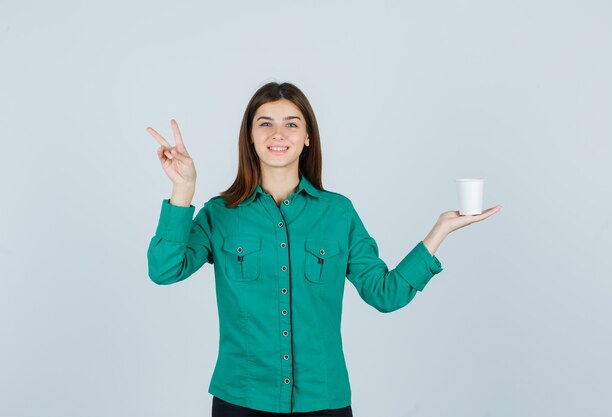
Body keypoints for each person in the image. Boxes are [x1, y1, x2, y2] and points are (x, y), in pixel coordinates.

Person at [146, 82, 502, 416]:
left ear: (307, 138)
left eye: (292, 123)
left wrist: (439, 231)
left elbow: (384, 294)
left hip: (323, 402)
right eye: (265, 123)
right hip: (241, 399)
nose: (278, 133)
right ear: (250, 138)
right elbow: (164, 270)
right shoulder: (220, 213)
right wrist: (184, 189)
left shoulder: (338, 213)